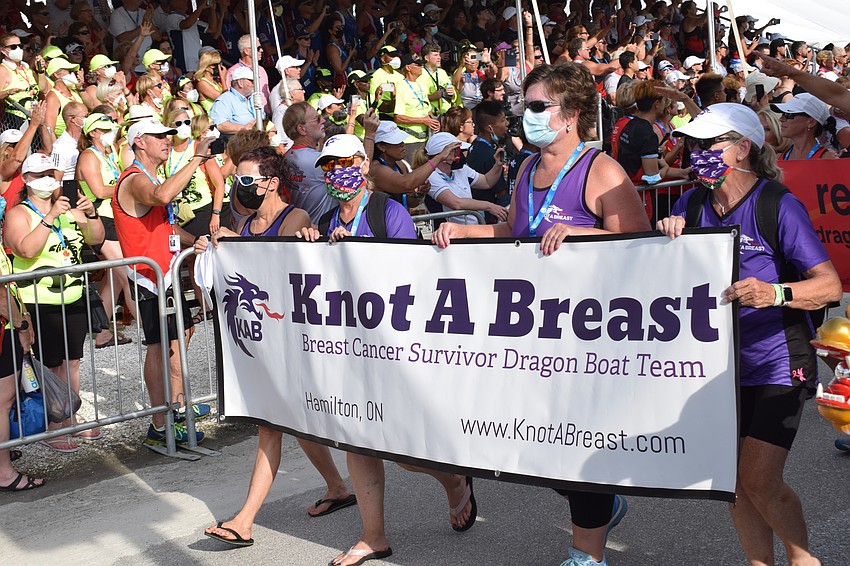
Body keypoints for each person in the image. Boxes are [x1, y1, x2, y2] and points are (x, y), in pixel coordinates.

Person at [432, 62, 647, 566]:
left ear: (569, 115)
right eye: (522, 105)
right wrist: (463, 231)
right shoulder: (527, 168)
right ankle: (603, 508)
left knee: (576, 445)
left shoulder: (600, 169)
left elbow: (640, 243)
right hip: (532, 331)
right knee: (536, 444)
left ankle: (586, 554)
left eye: (535, 106)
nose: (523, 115)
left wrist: (581, 233)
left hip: (588, 331)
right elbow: (515, 231)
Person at [657, 102, 841, 566]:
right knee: (732, 482)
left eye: (707, 143)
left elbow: (828, 286)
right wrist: (667, 237)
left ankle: (804, 559)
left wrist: (773, 292)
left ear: (742, 149)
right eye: (692, 143)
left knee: (758, 478)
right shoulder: (690, 203)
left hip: (778, 357)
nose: (695, 151)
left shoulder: (776, 203)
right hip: (717, 364)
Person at [295, 134, 478, 566]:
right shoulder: (325, 220)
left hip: (392, 349)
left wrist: (357, 251)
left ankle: (453, 480)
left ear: (363, 165)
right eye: (327, 166)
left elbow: (410, 276)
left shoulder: (387, 211)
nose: (335, 172)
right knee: (358, 442)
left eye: (344, 162)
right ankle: (373, 537)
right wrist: (310, 246)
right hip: (348, 351)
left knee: (403, 453)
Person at [197, 146, 356, 546]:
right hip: (264, 342)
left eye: (245, 179)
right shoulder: (244, 222)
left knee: (273, 425)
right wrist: (212, 251)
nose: (239, 186)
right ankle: (338, 487)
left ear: (270, 183)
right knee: (289, 422)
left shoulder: (294, 217)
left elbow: (275, 268)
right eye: (237, 179)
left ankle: (244, 521)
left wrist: (236, 245)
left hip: (293, 339)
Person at [112, 119, 213, 445]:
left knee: (181, 334)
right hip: (148, 277)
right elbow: (163, 194)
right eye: (159, 136)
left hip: (165, 272)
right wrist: (197, 158)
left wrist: (195, 241)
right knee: (159, 346)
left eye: (167, 135)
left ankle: (176, 405)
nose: (167, 140)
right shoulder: (134, 179)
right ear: (140, 142)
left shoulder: (150, 176)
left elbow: (167, 228)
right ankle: (159, 423)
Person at [5, 153, 105, 452]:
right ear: (26, 180)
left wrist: (91, 214)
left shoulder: (67, 209)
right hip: (38, 300)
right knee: (49, 364)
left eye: (51, 174)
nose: (47, 180)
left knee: (72, 361)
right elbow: (25, 249)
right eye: (39, 175)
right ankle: (52, 424)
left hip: (72, 295)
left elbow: (95, 239)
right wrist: (48, 218)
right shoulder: (19, 213)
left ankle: (70, 417)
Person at [76, 111, 136, 349]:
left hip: (114, 217)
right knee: (127, 273)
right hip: (100, 219)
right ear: (93, 133)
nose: (111, 132)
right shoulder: (88, 156)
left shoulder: (108, 154)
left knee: (116, 278)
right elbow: (99, 191)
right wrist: (130, 187)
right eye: (105, 129)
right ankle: (151, 328)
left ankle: (101, 333)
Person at [419, 132, 508, 225]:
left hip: (472, 229)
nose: (462, 154)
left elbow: (486, 182)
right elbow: (456, 203)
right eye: (458, 151)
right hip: (450, 231)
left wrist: (498, 164)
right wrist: (490, 206)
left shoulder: (461, 169)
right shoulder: (431, 176)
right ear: (445, 155)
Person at [394, 53, 439, 161]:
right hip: (409, 140)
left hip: (426, 138)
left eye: (421, 64)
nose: (421, 67)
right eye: (417, 65)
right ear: (408, 67)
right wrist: (423, 121)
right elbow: (398, 117)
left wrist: (433, 122)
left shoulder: (421, 85)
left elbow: (427, 110)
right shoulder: (401, 87)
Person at [771, 93, 837, 160]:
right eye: (783, 114)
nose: (781, 119)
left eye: (789, 114)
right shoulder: (777, 159)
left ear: (811, 122)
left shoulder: (828, 159)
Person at [210, 66, 262, 136]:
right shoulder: (224, 100)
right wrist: (245, 129)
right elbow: (220, 125)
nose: (255, 84)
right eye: (252, 81)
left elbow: (264, 119)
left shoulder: (254, 98)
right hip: (238, 141)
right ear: (240, 83)